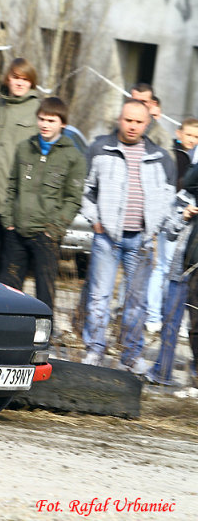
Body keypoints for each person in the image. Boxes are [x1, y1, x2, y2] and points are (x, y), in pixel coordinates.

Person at [80, 99, 176, 371]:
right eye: (128, 120)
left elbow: (169, 196)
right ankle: (95, 349)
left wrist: (156, 226)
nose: (133, 126)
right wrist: (95, 220)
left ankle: (131, 354)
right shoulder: (100, 149)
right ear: (119, 120)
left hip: (142, 241)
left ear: (148, 123)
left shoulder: (161, 157)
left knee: (136, 301)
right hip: (107, 238)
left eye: (139, 122)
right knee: (99, 296)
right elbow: (85, 189)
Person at [0, 97, 86, 313]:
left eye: (51, 120)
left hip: (46, 235)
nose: (45, 125)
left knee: (44, 292)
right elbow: (12, 186)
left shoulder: (73, 157)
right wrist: (8, 220)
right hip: (17, 230)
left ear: (63, 124)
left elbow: (73, 199)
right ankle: (7, 326)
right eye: (42, 119)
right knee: (9, 288)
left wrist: (54, 229)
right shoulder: (24, 148)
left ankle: (44, 329)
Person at [0, 58, 42, 279]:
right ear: (7, 78)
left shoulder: (37, 111)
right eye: (15, 77)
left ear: (32, 82)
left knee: (9, 265)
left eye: (25, 79)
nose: (20, 83)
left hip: (15, 201)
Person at [145, 117, 198, 333]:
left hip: (186, 221)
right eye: (189, 135)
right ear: (179, 133)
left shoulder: (193, 158)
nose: (192, 140)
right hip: (172, 215)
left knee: (179, 273)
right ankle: (154, 315)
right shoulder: (175, 157)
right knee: (164, 268)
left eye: (196, 136)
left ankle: (176, 318)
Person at [146, 187, 198, 386]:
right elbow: (169, 231)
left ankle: (195, 373)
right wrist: (184, 217)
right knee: (170, 324)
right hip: (181, 271)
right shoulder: (185, 197)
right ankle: (162, 371)